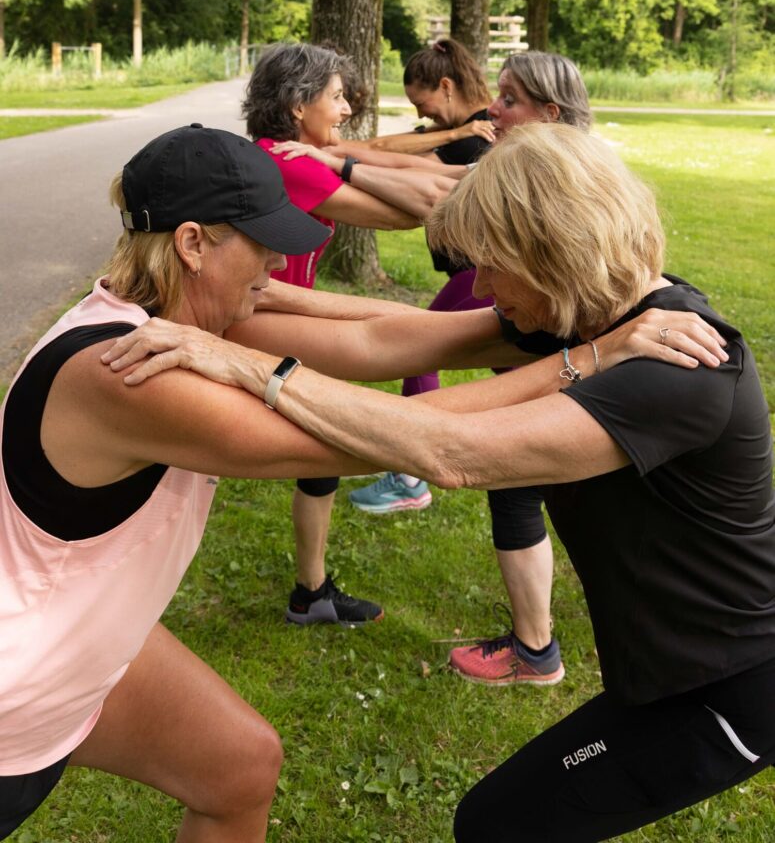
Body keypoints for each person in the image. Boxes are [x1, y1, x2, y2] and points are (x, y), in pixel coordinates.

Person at [106, 121, 774, 843]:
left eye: (491, 265)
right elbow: (382, 330)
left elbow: (449, 450)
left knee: (498, 823)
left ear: (554, 251)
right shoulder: (591, 321)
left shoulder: (676, 367)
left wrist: (241, 365)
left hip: (728, 687)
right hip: (666, 676)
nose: (477, 286)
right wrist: (241, 303)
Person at [0, 123, 393, 841]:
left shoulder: (171, 319)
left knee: (239, 765)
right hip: (15, 698)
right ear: (192, 244)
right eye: (260, 240)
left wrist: (521, 331)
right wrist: (580, 381)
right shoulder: (129, 371)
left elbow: (373, 337)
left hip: (77, 642)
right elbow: (405, 441)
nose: (276, 261)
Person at [349, 50, 595, 689]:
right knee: (537, 491)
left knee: (521, 485)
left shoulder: (545, 183)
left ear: (551, 113)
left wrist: (331, 164)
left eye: (510, 100)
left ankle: (537, 650)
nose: (494, 109)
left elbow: (432, 189)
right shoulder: (559, 170)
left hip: (567, 361)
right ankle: (538, 645)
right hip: (563, 358)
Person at [242, 42, 456, 627]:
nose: (344, 110)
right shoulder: (286, 163)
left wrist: (448, 159)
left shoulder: (293, 153)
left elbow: (391, 158)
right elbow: (407, 212)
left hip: (289, 313)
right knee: (392, 346)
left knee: (323, 445)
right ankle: (414, 468)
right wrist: (357, 165)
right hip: (261, 318)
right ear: (295, 107)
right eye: (335, 98)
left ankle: (310, 593)